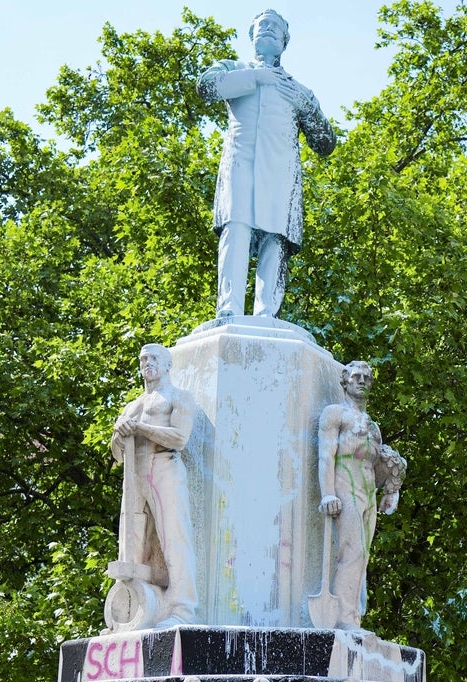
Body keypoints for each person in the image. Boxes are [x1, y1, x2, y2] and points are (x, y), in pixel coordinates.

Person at [196, 9, 336, 320]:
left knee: (276, 239)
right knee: (236, 229)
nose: (269, 29)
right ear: (252, 37)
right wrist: (255, 77)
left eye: (275, 27)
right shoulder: (235, 69)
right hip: (240, 164)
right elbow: (205, 86)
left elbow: (325, 143)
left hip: (281, 173)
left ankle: (266, 314)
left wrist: (308, 108)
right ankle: (229, 308)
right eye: (262, 25)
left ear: (285, 41)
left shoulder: (298, 90)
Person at [111, 343, 199, 626]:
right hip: (135, 471)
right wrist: (119, 432)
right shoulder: (132, 406)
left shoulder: (179, 398)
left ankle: (183, 610)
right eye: (143, 359)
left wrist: (139, 429)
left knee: (174, 538)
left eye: (153, 358)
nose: (147, 363)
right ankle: (129, 612)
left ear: (167, 364)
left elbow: (179, 438)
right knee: (131, 541)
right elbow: (116, 452)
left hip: (165, 467)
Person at [316, 361, 406, 628]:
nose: (362, 381)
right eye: (356, 376)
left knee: (363, 555)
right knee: (352, 550)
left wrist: (392, 490)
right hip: (345, 485)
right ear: (345, 380)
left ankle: (353, 616)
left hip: (367, 489)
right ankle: (344, 618)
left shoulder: (373, 426)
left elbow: (379, 465)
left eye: (367, 377)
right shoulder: (335, 414)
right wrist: (327, 494)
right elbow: (325, 455)